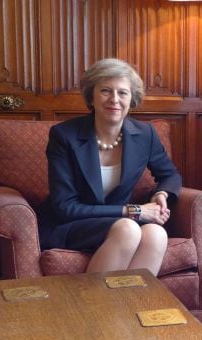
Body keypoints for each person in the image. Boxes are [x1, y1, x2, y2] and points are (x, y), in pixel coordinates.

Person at [38, 58, 181, 276]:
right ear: (92, 96)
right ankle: (95, 307)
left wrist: (161, 194)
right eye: (106, 91)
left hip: (120, 223)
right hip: (72, 224)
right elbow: (65, 207)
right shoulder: (64, 136)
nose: (114, 99)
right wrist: (135, 211)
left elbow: (170, 174)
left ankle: (129, 307)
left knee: (156, 233)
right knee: (128, 229)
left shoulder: (145, 135)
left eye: (122, 93)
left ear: (131, 99)